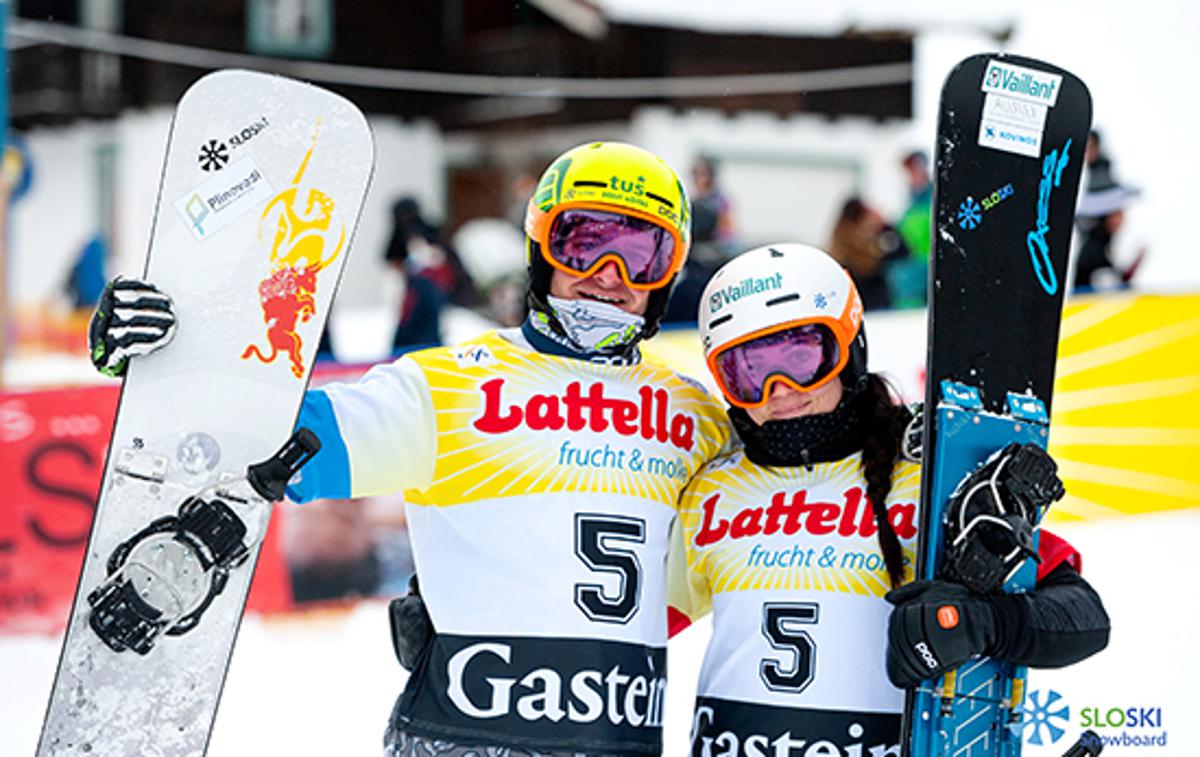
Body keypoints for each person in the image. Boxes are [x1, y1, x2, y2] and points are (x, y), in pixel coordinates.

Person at [87, 141, 732, 756]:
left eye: (639, 254)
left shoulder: (698, 417)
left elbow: (760, 538)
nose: (607, 277)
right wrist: (169, 356)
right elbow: (271, 433)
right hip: (464, 742)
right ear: (541, 250)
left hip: (616, 743)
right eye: (581, 244)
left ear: (668, 274)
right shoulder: (454, 387)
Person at [671, 243, 1109, 754]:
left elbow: (1083, 616)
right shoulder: (712, 492)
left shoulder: (928, 479)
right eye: (747, 371)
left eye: (803, 357)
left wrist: (984, 624)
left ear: (850, 346)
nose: (780, 389)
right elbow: (624, 618)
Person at [828, 197, 908, 311]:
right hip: (870, 305)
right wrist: (885, 226)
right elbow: (903, 252)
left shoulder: (840, 241)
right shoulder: (860, 245)